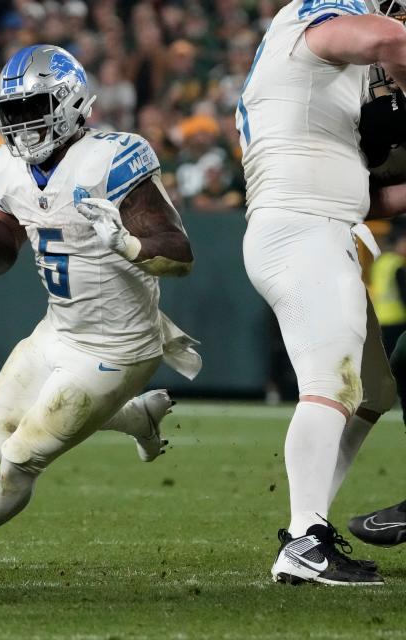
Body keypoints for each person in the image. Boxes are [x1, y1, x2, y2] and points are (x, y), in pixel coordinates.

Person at [0, 44, 197, 575]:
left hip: (119, 344)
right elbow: (10, 236)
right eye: (11, 112)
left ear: (69, 102)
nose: (20, 125)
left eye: (31, 108)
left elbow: (180, 254)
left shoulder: (113, 157)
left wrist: (128, 245)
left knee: (22, 458)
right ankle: (136, 418)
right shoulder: (8, 165)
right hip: (58, 329)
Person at [236, 0, 406, 585]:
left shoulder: (318, 88)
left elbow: (366, 195)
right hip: (302, 229)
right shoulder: (315, 24)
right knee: (331, 383)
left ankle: (311, 530)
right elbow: (389, 37)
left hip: (318, 223)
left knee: (371, 393)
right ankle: (304, 542)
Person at [369, 220, 406, 355]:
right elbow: (404, 293)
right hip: (398, 319)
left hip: (381, 319)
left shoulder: (380, 262)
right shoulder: (397, 264)